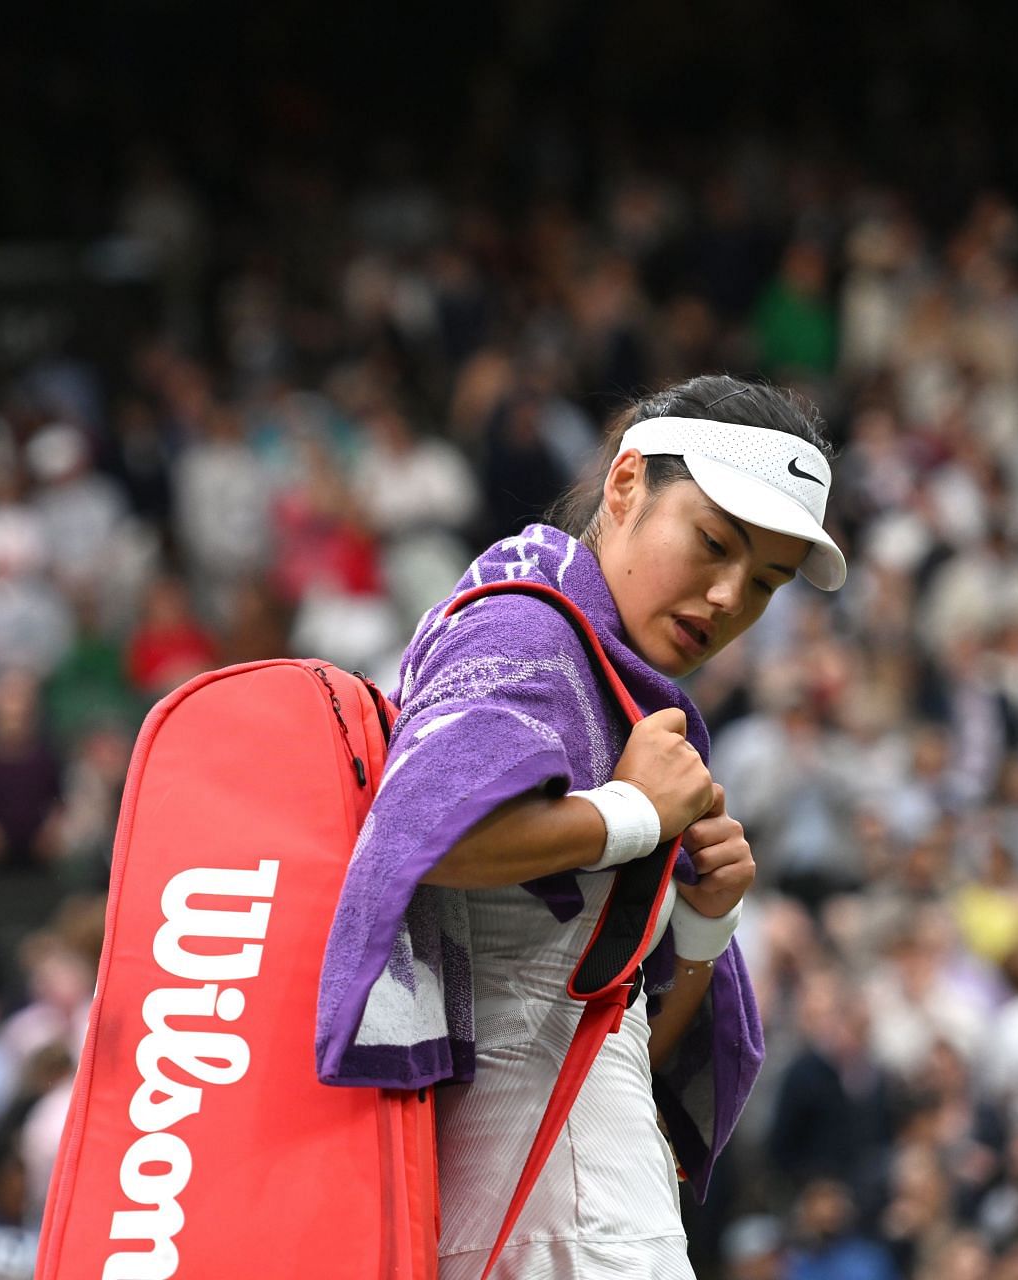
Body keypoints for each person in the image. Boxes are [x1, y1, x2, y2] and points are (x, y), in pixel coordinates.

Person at [318, 374, 846, 1278]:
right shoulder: (525, 630)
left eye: (765, 582)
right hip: (560, 1218)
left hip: (548, 1199)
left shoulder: (610, 676)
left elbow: (622, 1031)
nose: (727, 598)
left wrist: (705, 922)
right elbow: (418, 837)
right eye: (712, 544)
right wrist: (630, 813)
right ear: (626, 483)